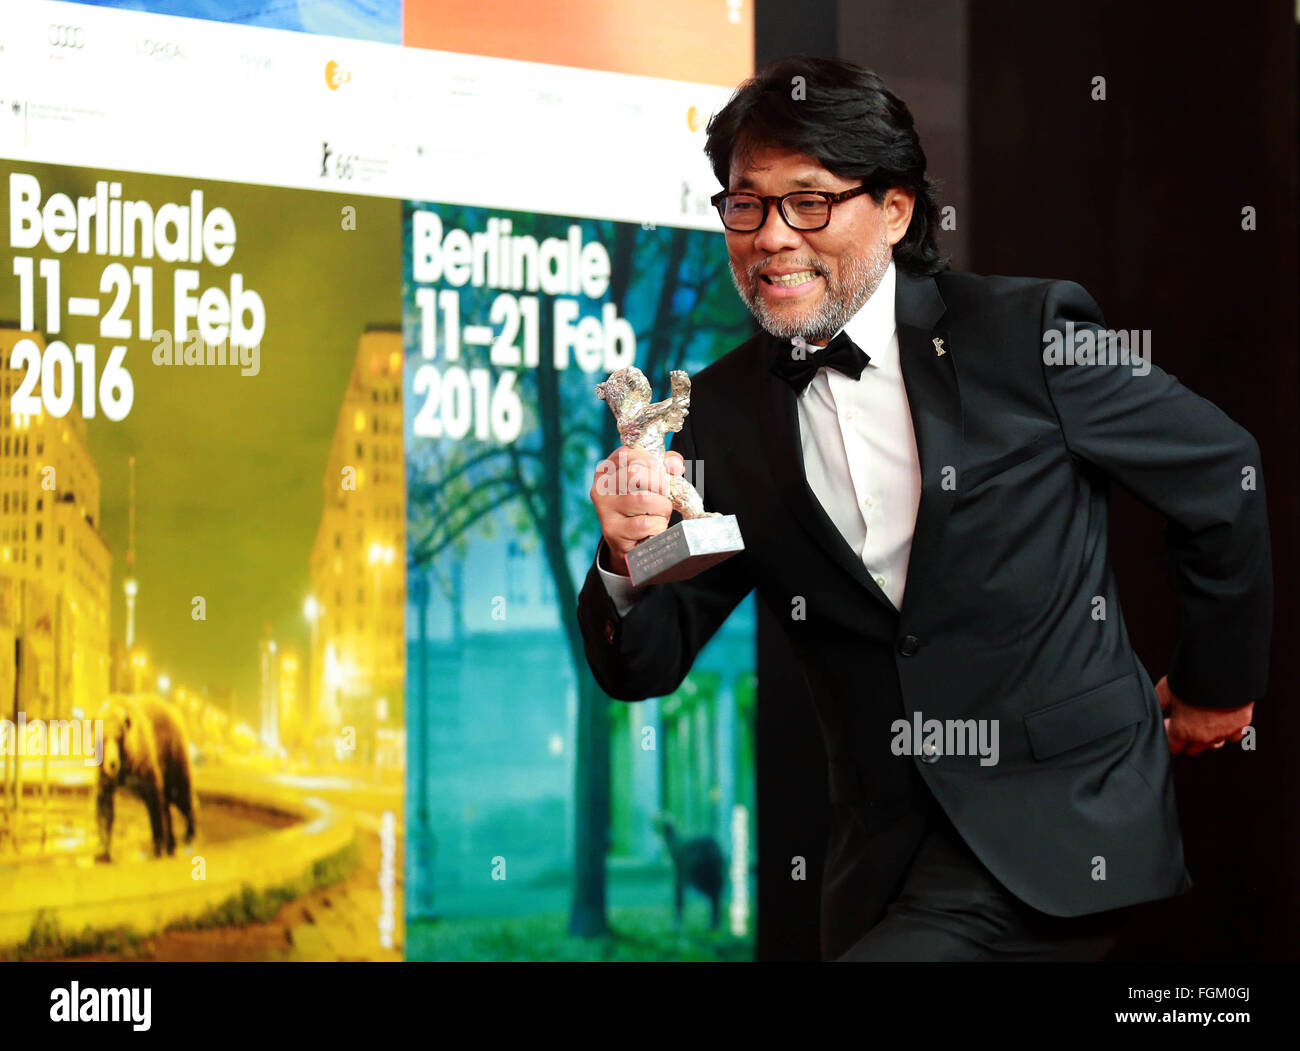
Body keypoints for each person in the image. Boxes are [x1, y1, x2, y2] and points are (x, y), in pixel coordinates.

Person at [575, 56, 1272, 961]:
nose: (772, 236)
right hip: (882, 863)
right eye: (745, 205)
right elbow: (649, 661)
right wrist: (626, 561)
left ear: (895, 211)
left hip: (1066, 817)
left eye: (811, 200)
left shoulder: (1027, 335)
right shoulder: (719, 414)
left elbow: (1224, 474)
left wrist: (1216, 689)